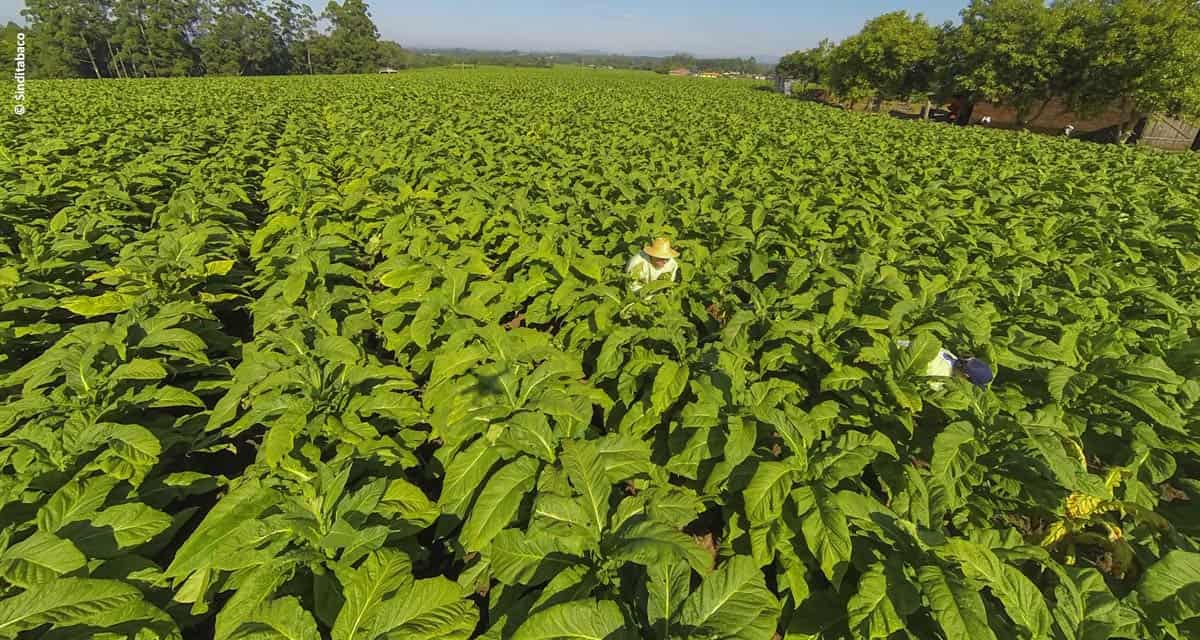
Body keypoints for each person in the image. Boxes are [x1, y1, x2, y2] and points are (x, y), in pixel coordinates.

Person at [896, 339, 994, 390]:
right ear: (966, 376)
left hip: (894, 345)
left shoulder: (950, 356)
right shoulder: (940, 376)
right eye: (969, 382)